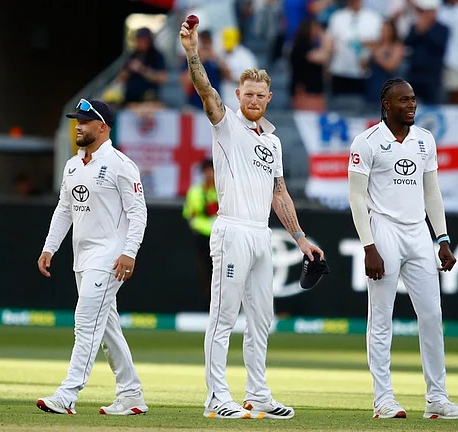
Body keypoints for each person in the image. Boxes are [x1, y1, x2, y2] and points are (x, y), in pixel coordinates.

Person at [180, 19, 324, 420]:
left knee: (262, 321)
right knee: (223, 317)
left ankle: (258, 394)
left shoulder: (273, 141)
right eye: (248, 93)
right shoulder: (225, 124)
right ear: (238, 95)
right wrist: (193, 53)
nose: (255, 99)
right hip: (231, 230)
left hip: (262, 234)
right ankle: (215, 398)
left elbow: (280, 193)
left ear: (269, 97)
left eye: (261, 94)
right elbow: (205, 90)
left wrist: (300, 238)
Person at [347, 78, 458, 420]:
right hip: (383, 228)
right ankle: (383, 399)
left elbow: (432, 193)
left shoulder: (424, 140)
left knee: (432, 315)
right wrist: (369, 245)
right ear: (387, 105)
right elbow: (356, 197)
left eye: (414, 99)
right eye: (404, 100)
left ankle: (437, 398)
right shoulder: (367, 141)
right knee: (381, 318)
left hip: (418, 232)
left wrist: (442, 239)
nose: (411, 105)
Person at [35, 99, 149, 416]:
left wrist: (129, 252)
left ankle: (67, 395)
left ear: (102, 127)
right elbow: (64, 209)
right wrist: (49, 247)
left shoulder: (121, 165)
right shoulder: (72, 165)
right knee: (107, 329)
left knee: (85, 325)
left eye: (84, 121)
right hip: (81, 259)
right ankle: (131, 395)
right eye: (76, 121)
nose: (78, 126)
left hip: (110, 258)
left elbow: (139, 213)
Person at [182, 158, 218, 299]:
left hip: (222, 236)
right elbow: (190, 214)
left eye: (212, 170)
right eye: (206, 171)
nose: (210, 174)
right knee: (204, 271)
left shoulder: (225, 189)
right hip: (203, 237)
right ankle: (207, 301)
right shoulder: (195, 192)